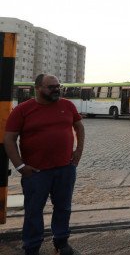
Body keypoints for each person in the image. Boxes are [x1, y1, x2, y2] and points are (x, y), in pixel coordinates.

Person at [3, 74, 85, 255]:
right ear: (38, 88)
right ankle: (32, 247)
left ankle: (61, 243)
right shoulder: (23, 110)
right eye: (51, 87)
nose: (56, 89)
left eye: (58, 86)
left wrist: (77, 152)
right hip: (36, 173)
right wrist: (20, 166)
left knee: (63, 208)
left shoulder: (67, 105)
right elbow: (9, 139)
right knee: (33, 211)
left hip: (65, 169)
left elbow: (79, 127)